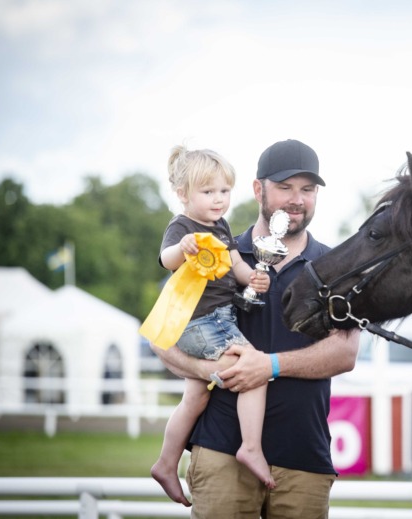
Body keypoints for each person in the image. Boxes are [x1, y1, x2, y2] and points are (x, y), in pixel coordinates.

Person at [151, 138, 360, 519]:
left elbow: (345, 353)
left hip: (304, 457)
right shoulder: (210, 249)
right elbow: (162, 337)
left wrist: (270, 366)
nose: (297, 199)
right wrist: (208, 370)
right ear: (258, 190)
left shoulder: (334, 266)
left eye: (307, 189)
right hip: (219, 452)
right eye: (285, 188)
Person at [149, 145, 275, 507]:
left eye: (224, 191)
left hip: (218, 319)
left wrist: (253, 277)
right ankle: (250, 447)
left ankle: (166, 462)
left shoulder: (220, 226)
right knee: (254, 368)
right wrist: (183, 248)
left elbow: (235, 265)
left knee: (196, 396)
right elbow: (166, 260)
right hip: (200, 321)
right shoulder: (182, 227)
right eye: (208, 192)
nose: (219, 200)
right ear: (183, 194)